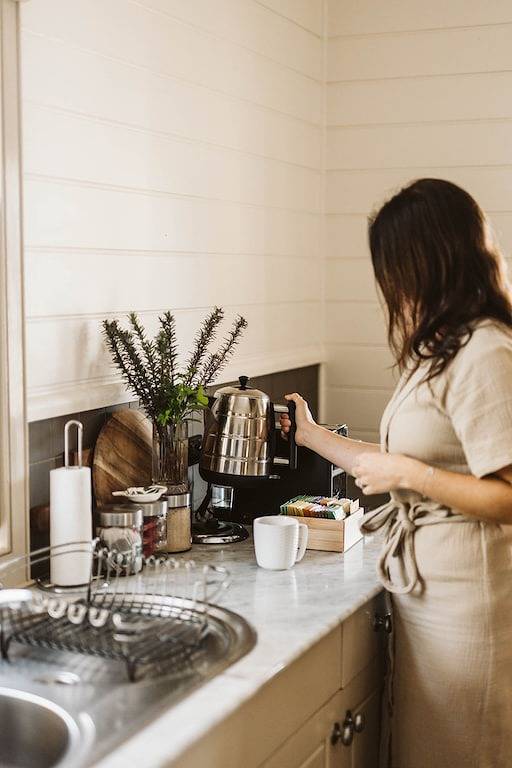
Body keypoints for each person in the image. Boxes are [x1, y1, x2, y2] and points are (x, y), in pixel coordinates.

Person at [280, 178, 512, 768]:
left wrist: (412, 475)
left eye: (393, 267)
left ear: (428, 260)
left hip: (472, 604)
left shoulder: (486, 351)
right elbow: (396, 463)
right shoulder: (443, 349)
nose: (390, 286)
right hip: (433, 596)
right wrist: (311, 436)